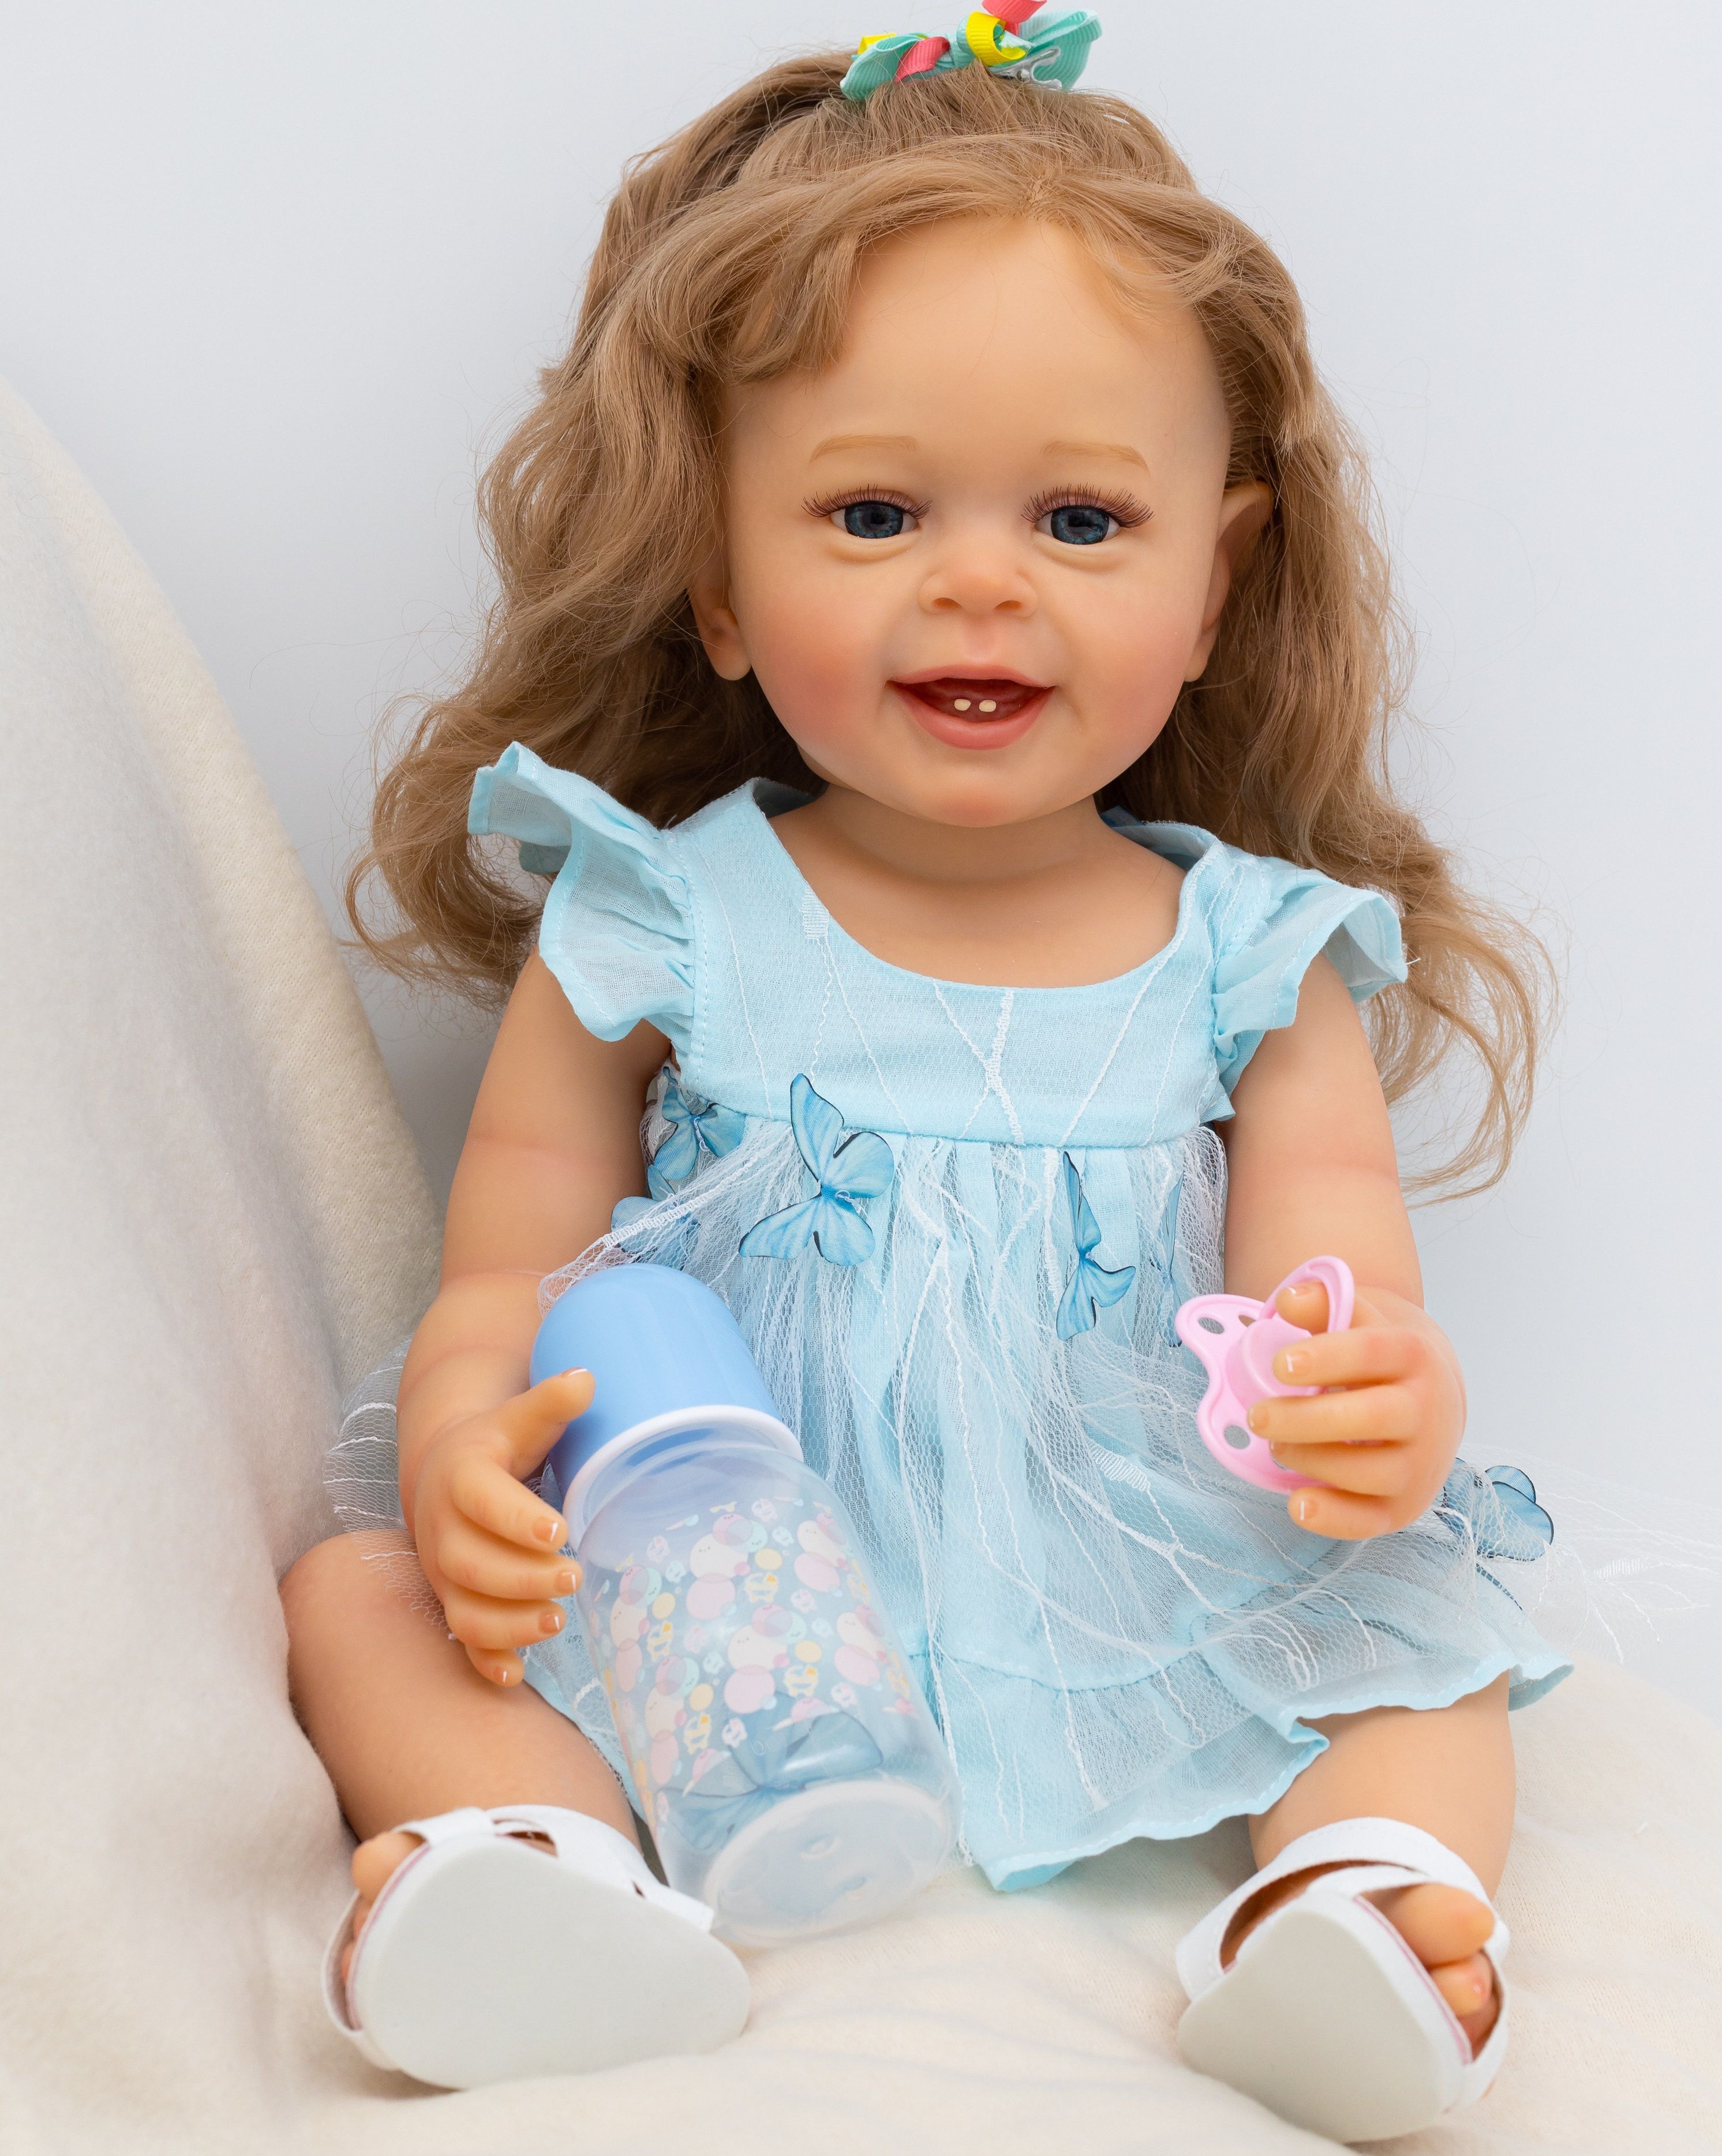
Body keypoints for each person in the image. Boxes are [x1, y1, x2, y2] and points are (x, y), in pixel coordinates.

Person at [281, 15, 1566, 2137]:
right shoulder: (661, 914)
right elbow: (506, 1268)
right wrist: (458, 1452)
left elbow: (1339, 1280)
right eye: (873, 511)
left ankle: (1359, 1904)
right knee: (359, 1598)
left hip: (1126, 1554)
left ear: (1216, 579)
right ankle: (546, 1869)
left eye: (1082, 515)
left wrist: (1381, 1402)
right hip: (732, 1584)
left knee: (1425, 1652)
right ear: (715, 578)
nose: (980, 579)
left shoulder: (1251, 951)